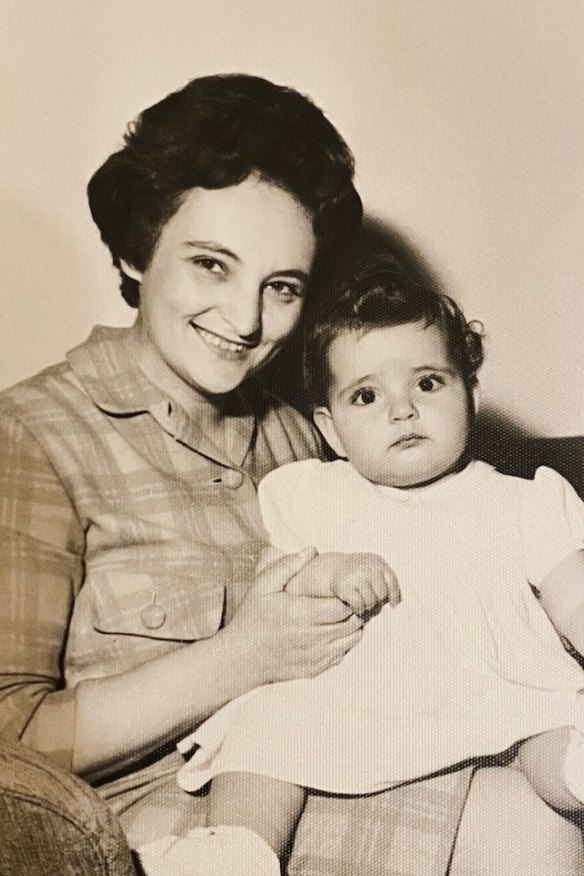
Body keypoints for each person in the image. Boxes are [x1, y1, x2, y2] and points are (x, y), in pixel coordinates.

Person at [0, 74, 580, 876]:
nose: (244, 322)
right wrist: (239, 656)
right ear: (137, 250)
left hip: (357, 764)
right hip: (166, 829)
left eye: (282, 288)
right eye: (211, 265)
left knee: (538, 814)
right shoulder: (31, 434)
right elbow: (10, 745)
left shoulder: (308, 428)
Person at [144, 255, 584, 875]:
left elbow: (573, 591)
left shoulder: (523, 500)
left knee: (552, 719)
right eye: (367, 395)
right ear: (331, 429)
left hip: (487, 682)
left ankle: (575, 776)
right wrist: (329, 572)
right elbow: (276, 584)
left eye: (428, 383)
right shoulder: (314, 496)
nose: (401, 410)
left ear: (471, 395)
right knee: (262, 724)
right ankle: (237, 846)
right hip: (352, 691)